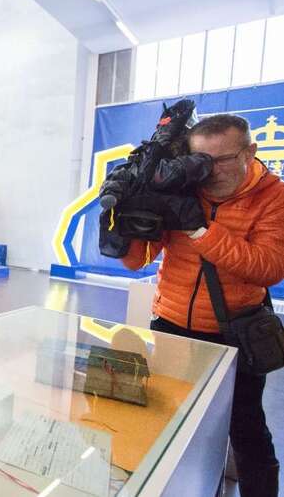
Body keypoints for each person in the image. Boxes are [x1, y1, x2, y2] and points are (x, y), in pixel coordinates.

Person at [122, 114, 284, 497]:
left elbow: (268, 267)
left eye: (223, 159)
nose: (210, 172)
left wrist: (200, 231)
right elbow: (137, 260)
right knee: (172, 423)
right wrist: (123, 227)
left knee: (245, 429)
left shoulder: (273, 194)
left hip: (235, 332)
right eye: (201, 161)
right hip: (173, 325)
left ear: (250, 151)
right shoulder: (184, 187)